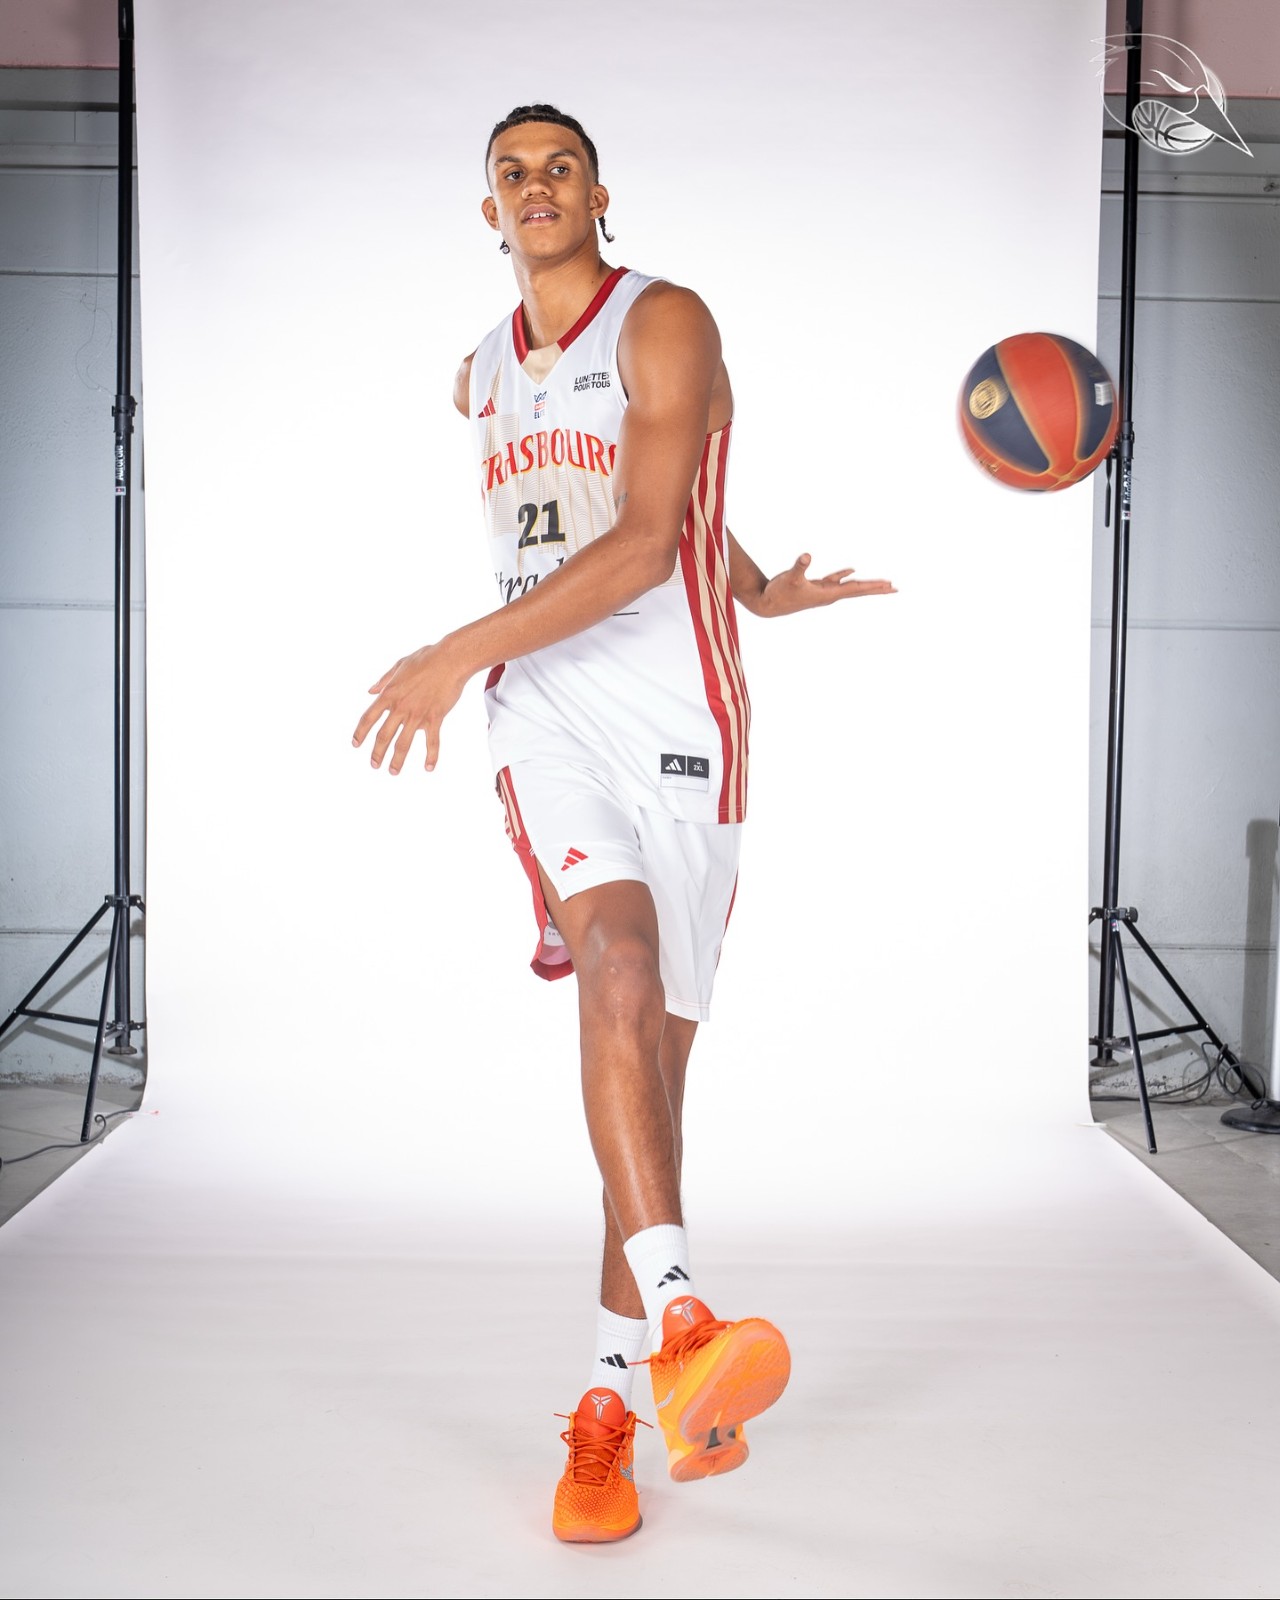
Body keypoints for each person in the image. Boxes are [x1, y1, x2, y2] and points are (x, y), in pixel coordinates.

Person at [353, 104, 895, 1544]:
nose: (536, 187)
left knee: (647, 1089)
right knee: (617, 969)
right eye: (511, 174)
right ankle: (682, 1325)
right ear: (490, 212)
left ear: (599, 193)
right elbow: (614, 501)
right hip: (546, 713)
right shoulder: (478, 371)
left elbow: (654, 534)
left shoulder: (666, 321)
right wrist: (491, 664)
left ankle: (613, 1398)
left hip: (689, 727)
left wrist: (749, 592)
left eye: (560, 168)